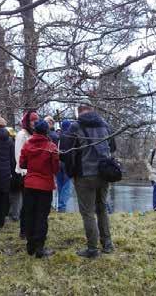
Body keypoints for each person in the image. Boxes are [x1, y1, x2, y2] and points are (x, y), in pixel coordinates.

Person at [60, 99, 116, 258]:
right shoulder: (105, 125)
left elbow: (66, 152)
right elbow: (113, 147)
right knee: (102, 208)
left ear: (79, 111)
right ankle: (107, 244)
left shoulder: (75, 127)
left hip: (84, 175)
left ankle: (92, 249)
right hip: (104, 173)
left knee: (88, 212)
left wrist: (72, 171)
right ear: (92, 109)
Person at [20, 119, 59, 258]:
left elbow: (22, 163)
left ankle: (30, 245)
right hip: (45, 186)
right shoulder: (51, 147)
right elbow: (55, 169)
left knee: (30, 214)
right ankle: (39, 247)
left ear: (35, 130)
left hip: (30, 184)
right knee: (42, 216)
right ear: (46, 131)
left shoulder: (27, 145)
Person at [13, 111, 39, 236]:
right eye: (32, 120)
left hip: (34, 173)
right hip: (24, 174)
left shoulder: (34, 134)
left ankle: (32, 227)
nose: (35, 123)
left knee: (33, 203)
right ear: (28, 122)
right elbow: (18, 154)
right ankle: (24, 230)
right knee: (26, 203)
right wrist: (24, 171)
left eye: (36, 120)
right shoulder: (22, 134)